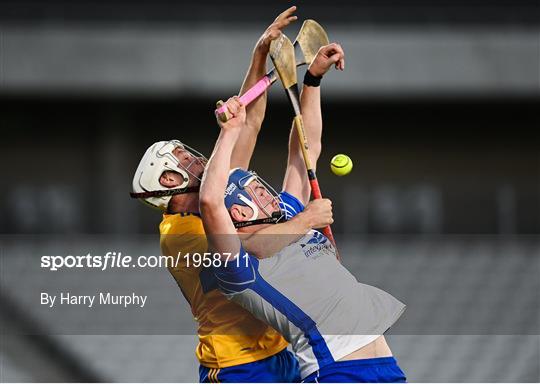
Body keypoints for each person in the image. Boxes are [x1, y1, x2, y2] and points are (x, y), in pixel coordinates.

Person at [131, 7, 334, 383]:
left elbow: (250, 124)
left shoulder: (214, 194)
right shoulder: (180, 234)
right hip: (235, 365)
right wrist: (305, 221)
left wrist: (260, 57)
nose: (194, 159)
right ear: (169, 185)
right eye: (182, 161)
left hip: (278, 351)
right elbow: (252, 246)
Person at [199, 41, 407, 383]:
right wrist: (230, 133)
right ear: (236, 210)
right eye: (254, 190)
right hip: (335, 371)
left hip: (385, 368)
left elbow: (305, 151)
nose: (265, 190)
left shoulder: (286, 216)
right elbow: (209, 202)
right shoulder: (238, 263)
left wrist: (312, 81)